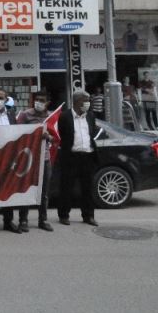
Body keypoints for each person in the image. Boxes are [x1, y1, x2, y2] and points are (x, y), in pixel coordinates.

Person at [57, 90, 98, 227]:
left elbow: (91, 134)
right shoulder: (65, 116)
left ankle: (88, 216)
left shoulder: (90, 116)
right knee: (66, 187)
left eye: (88, 100)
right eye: (84, 100)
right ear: (76, 101)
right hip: (71, 157)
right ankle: (64, 215)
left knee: (87, 188)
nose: (87, 103)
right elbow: (62, 136)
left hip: (87, 156)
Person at [17, 90, 55, 231]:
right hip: (28, 159)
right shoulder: (25, 115)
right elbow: (17, 134)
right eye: (37, 99)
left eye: (42, 100)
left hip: (44, 159)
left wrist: (48, 137)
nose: (38, 102)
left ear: (47, 102)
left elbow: (55, 137)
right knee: (26, 190)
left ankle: (43, 220)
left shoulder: (51, 117)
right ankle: (23, 220)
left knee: (44, 192)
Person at [0, 87, 26, 235]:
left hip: (9, 157)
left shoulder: (11, 115)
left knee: (8, 189)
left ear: (6, 100)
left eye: (0, 98)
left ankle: (8, 221)